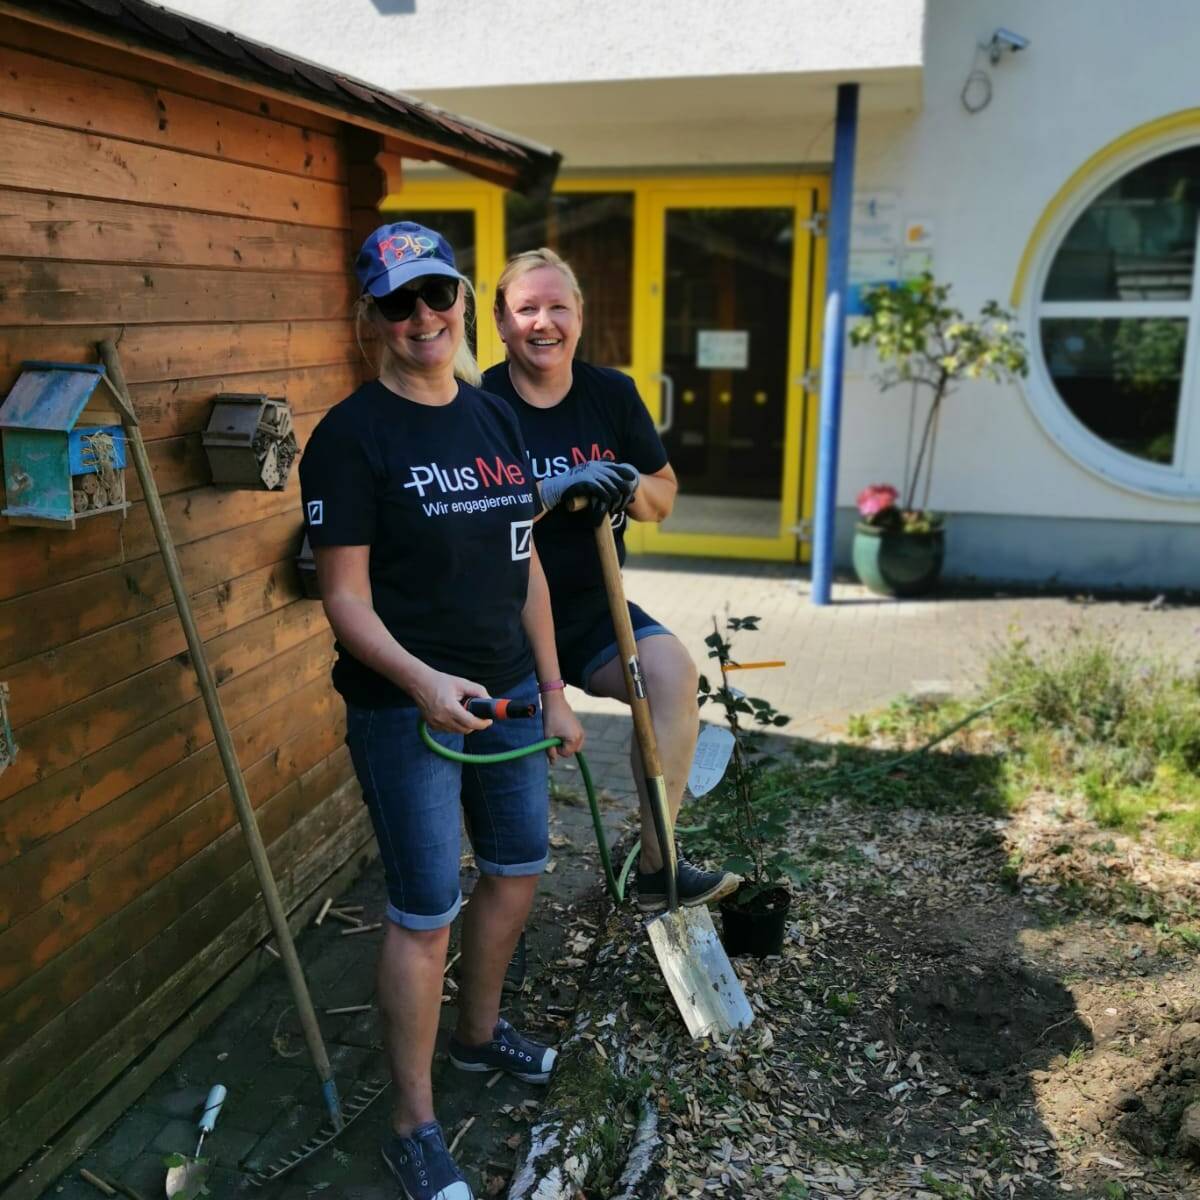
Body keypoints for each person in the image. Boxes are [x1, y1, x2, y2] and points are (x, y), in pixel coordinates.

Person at [299, 223, 633, 1200]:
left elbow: (522, 568)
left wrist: (555, 691)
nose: (424, 319)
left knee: (520, 872)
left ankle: (480, 1036)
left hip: (512, 697)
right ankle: (413, 1122)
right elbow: (344, 600)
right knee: (423, 916)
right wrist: (421, 685)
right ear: (373, 316)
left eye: (436, 296)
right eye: (399, 304)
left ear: (457, 299)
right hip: (407, 712)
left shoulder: (492, 420)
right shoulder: (351, 437)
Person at [482, 248, 740, 917]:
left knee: (673, 675)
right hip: (501, 617)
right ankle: (501, 894)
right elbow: (476, 516)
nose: (544, 321)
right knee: (511, 773)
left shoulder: (611, 395)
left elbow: (664, 493)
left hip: (595, 609)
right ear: (502, 324)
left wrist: (630, 484)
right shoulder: (479, 406)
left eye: (557, 306)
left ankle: (659, 864)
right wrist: (547, 490)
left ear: (580, 318)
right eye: (527, 308)